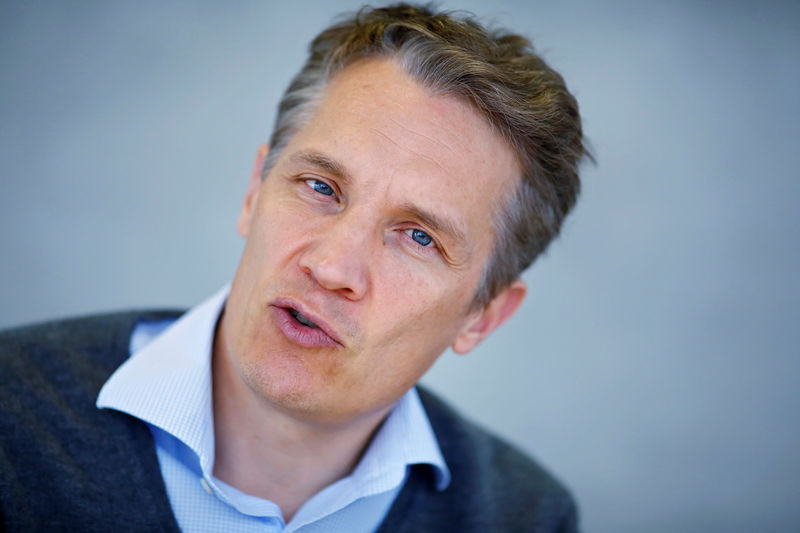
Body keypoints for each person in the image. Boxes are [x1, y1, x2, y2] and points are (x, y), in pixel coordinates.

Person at [0, 3, 588, 532]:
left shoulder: (526, 517)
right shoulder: (12, 407)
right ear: (254, 191)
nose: (332, 267)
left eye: (417, 236)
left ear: (482, 317)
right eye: (319, 186)